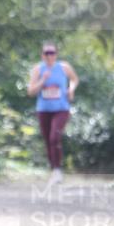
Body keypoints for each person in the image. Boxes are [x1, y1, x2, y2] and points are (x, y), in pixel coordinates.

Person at [27, 42, 79, 183]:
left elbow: (74, 79)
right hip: (44, 109)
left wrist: (71, 88)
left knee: (54, 137)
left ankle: (57, 170)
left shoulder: (64, 67)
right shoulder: (38, 69)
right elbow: (31, 91)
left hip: (61, 108)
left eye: (52, 53)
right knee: (47, 140)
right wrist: (42, 81)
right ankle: (54, 170)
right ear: (42, 55)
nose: (50, 56)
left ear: (56, 54)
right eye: (47, 53)